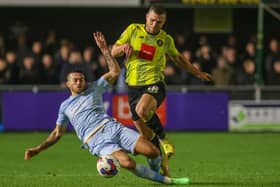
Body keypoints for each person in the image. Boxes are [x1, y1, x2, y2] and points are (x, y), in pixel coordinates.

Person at [24, 32, 189, 185]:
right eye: (74, 80)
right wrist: (38, 149)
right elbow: (57, 133)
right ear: (68, 84)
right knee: (128, 163)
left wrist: (104, 50)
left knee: (153, 152)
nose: (79, 82)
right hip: (96, 141)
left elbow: (115, 71)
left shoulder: (94, 87)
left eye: (81, 79)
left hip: (113, 127)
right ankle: (167, 181)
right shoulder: (65, 106)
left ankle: (159, 176)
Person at [111, 5, 212, 175]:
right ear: (146, 17)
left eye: (159, 22)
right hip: (133, 87)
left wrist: (198, 73)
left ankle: (165, 139)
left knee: (142, 110)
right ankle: (162, 160)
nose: (155, 24)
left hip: (155, 84)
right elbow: (113, 51)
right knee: (146, 137)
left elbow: (179, 59)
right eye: (152, 20)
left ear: (164, 22)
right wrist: (123, 49)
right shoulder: (133, 30)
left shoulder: (165, 40)